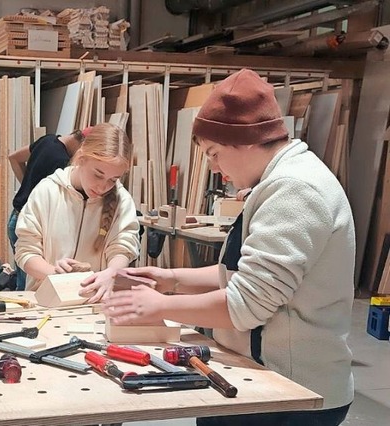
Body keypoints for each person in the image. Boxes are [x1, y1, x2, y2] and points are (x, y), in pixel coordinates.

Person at [104, 69, 354, 425]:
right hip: (267, 378)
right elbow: (243, 274)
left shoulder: (295, 191)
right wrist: (172, 278)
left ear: (248, 140)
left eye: (214, 153)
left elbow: (246, 305)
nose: (214, 167)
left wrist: (162, 306)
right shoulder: (278, 182)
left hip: (292, 394)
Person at [15, 122, 140, 302]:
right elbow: (26, 251)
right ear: (81, 158)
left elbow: (122, 248)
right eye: (98, 174)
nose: (103, 186)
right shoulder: (47, 191)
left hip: (94, 302)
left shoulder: (122, 200)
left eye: (113, 180)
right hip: (46, 301)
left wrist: (111, 273)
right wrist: (54, 273)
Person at [7, 129, 86, 290]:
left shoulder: (47, 141)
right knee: (28, 277)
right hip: (29, 223)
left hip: (16, 216)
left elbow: (13, 158)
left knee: (22, 276)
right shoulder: (62, 163)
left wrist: (27, 186)